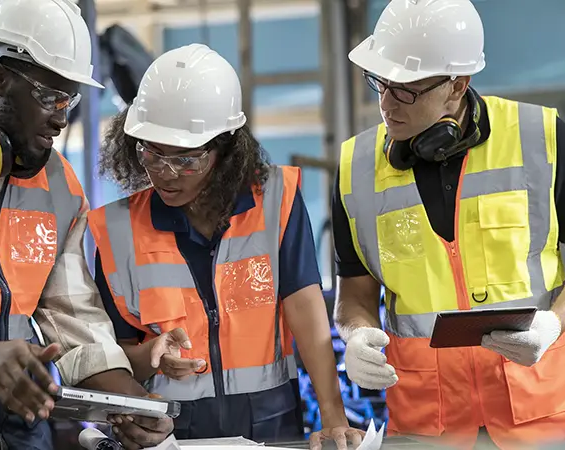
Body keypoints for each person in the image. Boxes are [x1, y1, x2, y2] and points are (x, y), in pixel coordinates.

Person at [332, 0, 565, 449]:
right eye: (380, 83)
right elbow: (354, 292)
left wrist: (553, 324)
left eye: (406, 88)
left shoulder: (540, 137)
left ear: (458, 84)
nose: (387, 102)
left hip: (540, 416)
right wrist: (355, 335)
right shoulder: (355, 169)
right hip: (429, 425)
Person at [88, 43, 365, 450]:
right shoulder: (115, 230)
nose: (165, 173)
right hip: (170, 432)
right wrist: (151, 355)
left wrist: (334, 416)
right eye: (151, 152)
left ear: (226, 149)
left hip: (273, 423)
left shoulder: (277, 200)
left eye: (185, 158)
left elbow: (305, 310)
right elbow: (111, 356)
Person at [0, 0, 172, 448]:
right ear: (0, 79)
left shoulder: (59, 184)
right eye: (51, 97)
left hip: (21, 433)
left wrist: (134, 407)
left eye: (71, 100)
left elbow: (75, 320)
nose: (62, 118)